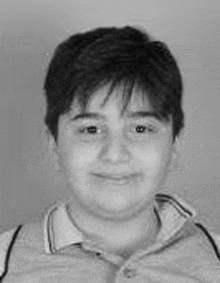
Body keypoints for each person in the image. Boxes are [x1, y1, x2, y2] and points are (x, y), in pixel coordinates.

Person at [0, 25, 220, 282]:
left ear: (173, 145)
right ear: (54, 145)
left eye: (140, 128)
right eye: (91, 129)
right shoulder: (5, 260)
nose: (115, 154)